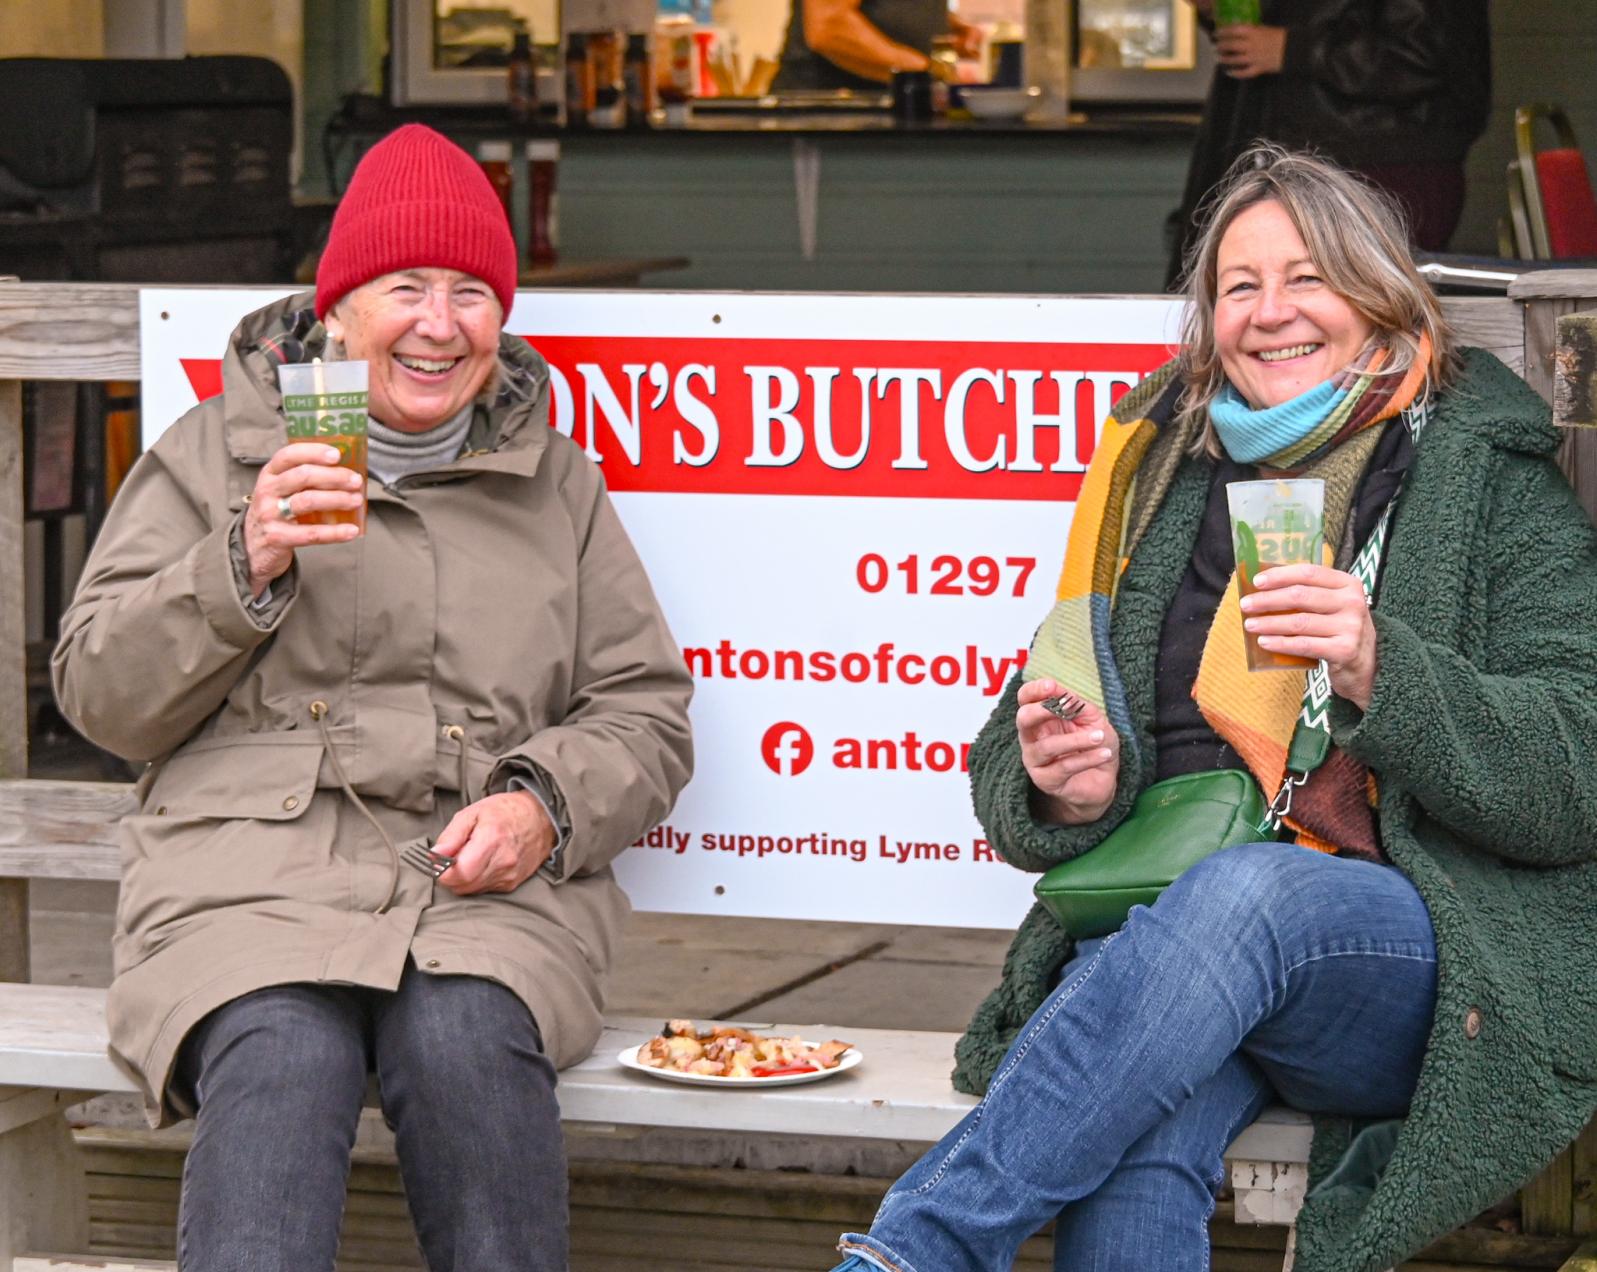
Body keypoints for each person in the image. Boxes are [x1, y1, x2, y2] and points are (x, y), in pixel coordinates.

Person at [831, 144, 1597, 1272]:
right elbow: (1016, 745)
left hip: (1422, 957)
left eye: (1307, 278)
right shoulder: (1157, 471)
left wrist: (1381, 669)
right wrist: (1067, 781)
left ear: (1379, 296)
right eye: (1239, 286)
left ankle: (913, 1253)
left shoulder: (1484, 472)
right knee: (1135, 1129)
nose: (1269, 312)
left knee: (1247, 895)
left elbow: (1576, 775)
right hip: (1178, 958)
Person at [52, 123, 694, 1272]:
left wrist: (542, 807)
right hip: (246, 883)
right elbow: (101, 696)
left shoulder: (553, 481)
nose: (440, 325)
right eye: (405, 288)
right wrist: (241, 560)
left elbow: (641, 711)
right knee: (281, 1052)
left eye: (470, 293)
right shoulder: (216, 453)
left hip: (478, 894)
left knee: (468, 1046)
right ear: (338, 310)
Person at [1165, 0, 1491, 287]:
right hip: (1292, 156)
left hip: (1383, 164)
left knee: (1367, 311)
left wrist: (1290, 49)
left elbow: (1429, 52)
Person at [773, 0, 982, 91]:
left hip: (889, 106)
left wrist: (943, 24)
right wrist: (929, 71)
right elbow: (829, 27)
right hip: (834, 118)